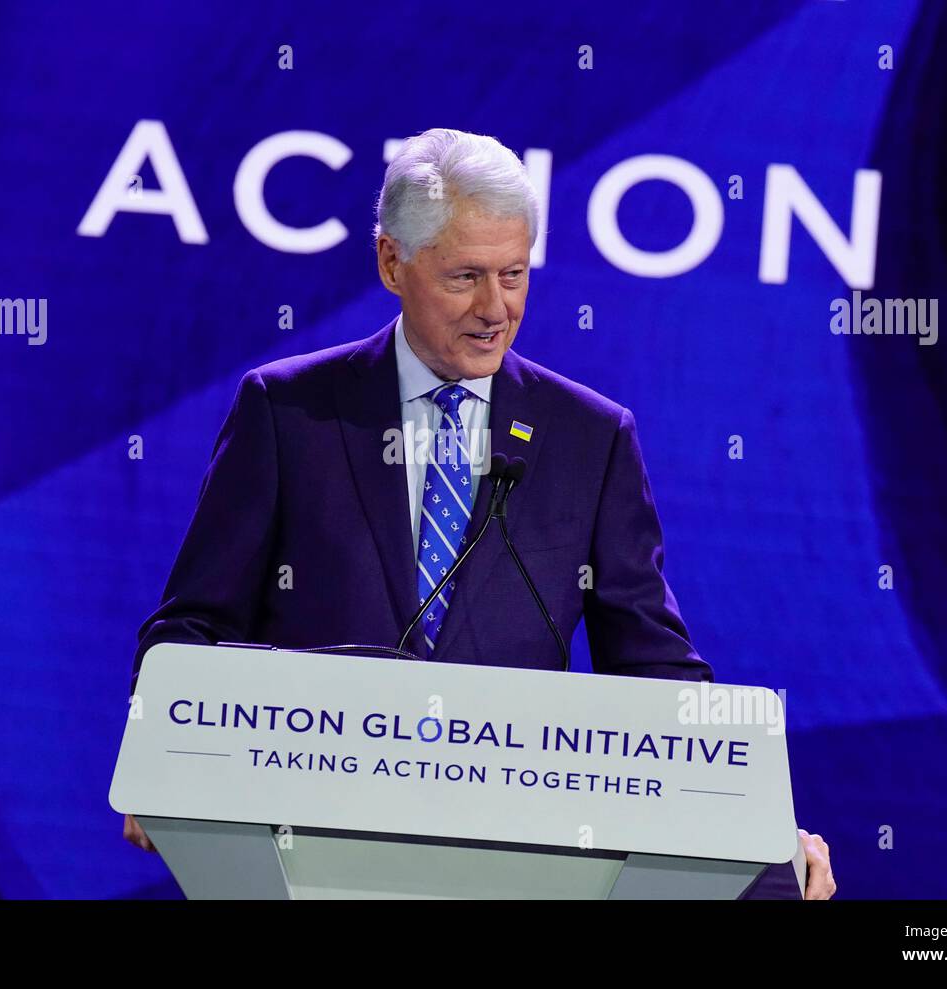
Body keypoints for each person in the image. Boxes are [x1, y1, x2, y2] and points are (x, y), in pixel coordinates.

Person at [125, 128, 835, 900]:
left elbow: (653, 667)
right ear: (393, 264)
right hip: (306, 852)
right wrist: (159, 741)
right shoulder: (289, 411)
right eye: (465, 276)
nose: (496, 309)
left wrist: (748, 818)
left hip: (510, 864)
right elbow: (193, 623)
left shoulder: (589, 439)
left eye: (514, 274)